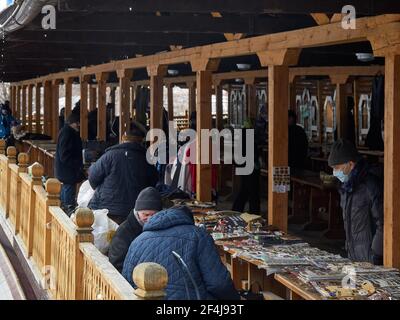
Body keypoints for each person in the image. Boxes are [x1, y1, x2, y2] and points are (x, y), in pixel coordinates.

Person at [122, 206, 239, 300]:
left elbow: (127, 280)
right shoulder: (198, 235)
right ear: (188, 220)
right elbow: (219, 283)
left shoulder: (138, 240)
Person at [88, 125, 158, 225]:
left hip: (108, 208)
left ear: (123, 139)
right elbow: (153, 183)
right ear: (140, 142)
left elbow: (93, 178)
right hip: (135, 210)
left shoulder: (109, 156)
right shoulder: (146, 160)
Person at [328, 139, 383, 265]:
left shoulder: (370, 186)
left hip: (370, 258)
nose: (335, 172)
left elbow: (383, 223)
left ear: (351, 164)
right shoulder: (346, 187)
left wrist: (376, 255)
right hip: (354, 256)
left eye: (337, 168)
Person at [108, 187, 162, 272]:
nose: (150, 219)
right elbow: (117, 264)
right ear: (137, 212)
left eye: (154, 215)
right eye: (146, 215)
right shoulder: (123, 232)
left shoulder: (162, 228)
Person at [55, 113, 85, 211]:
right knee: (68, 201)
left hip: (66, 171)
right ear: (72, 123)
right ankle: (67, 214)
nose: (79, 125)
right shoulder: (68, 133)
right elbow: (65, 156)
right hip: (68, 171)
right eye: (77, 123)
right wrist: (77, 165)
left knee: (65, 193)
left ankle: (64, 211)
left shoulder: (66, 132)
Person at [232, 119, 261, 214]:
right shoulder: (250, 137)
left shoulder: (239, 136)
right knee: (253, 192)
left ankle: (236, 210)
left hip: (242, 166)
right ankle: (254, 213)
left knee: (244, 189)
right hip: (251, 167)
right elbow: (254, 153)